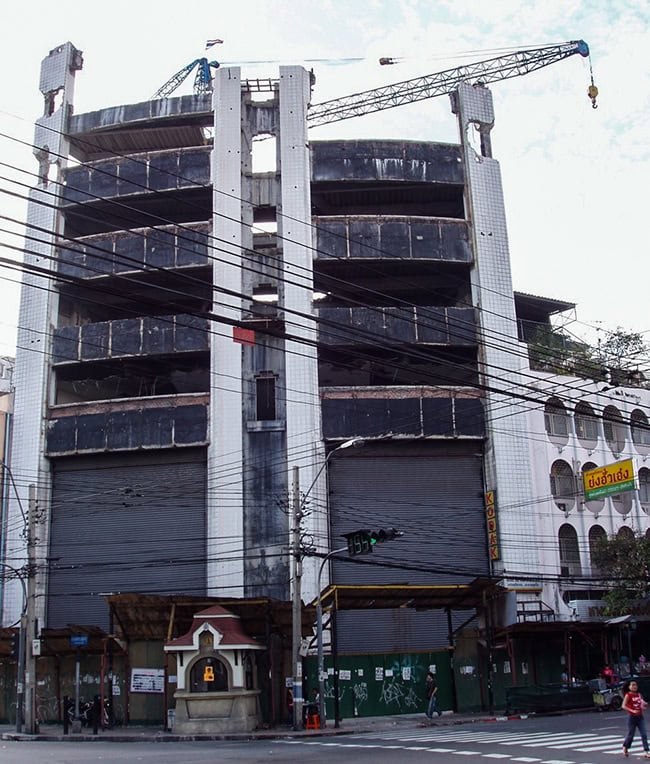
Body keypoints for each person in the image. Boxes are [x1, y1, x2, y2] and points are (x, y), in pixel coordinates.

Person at [622, 679, 650, 758]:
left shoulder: (639, 694)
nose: (634, 686)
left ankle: (646, 751)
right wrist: (632, 710)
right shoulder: (628, 695)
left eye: (635, 685)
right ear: (629, 687)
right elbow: (623, 706)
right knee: (631, 735)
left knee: (644, 734)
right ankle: (625, 746)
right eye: (632, 685)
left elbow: (642, 703)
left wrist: (644, 704)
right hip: (632, 718)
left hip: (640, 717)